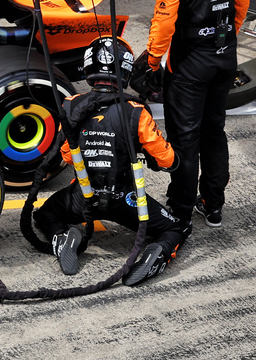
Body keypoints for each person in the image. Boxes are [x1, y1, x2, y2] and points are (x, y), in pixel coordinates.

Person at [32, 36, 189, 285]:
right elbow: (167, 159)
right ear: (125, 69)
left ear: (88, 66)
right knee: (174, 228)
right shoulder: (136, 110)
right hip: (125, 200)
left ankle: (63, 238)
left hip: (82, 196)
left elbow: (64, 155)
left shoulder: (72, 105)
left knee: (44, 214)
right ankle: (156, 255)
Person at [146, 0, 248, 229]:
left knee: (185, 139)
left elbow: (164, 22)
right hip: (224, 56)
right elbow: (242, 4)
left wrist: (150, 62)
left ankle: (180, 208)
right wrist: (223, 36)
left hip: (189, 65)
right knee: (214, 131)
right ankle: (214, 204)